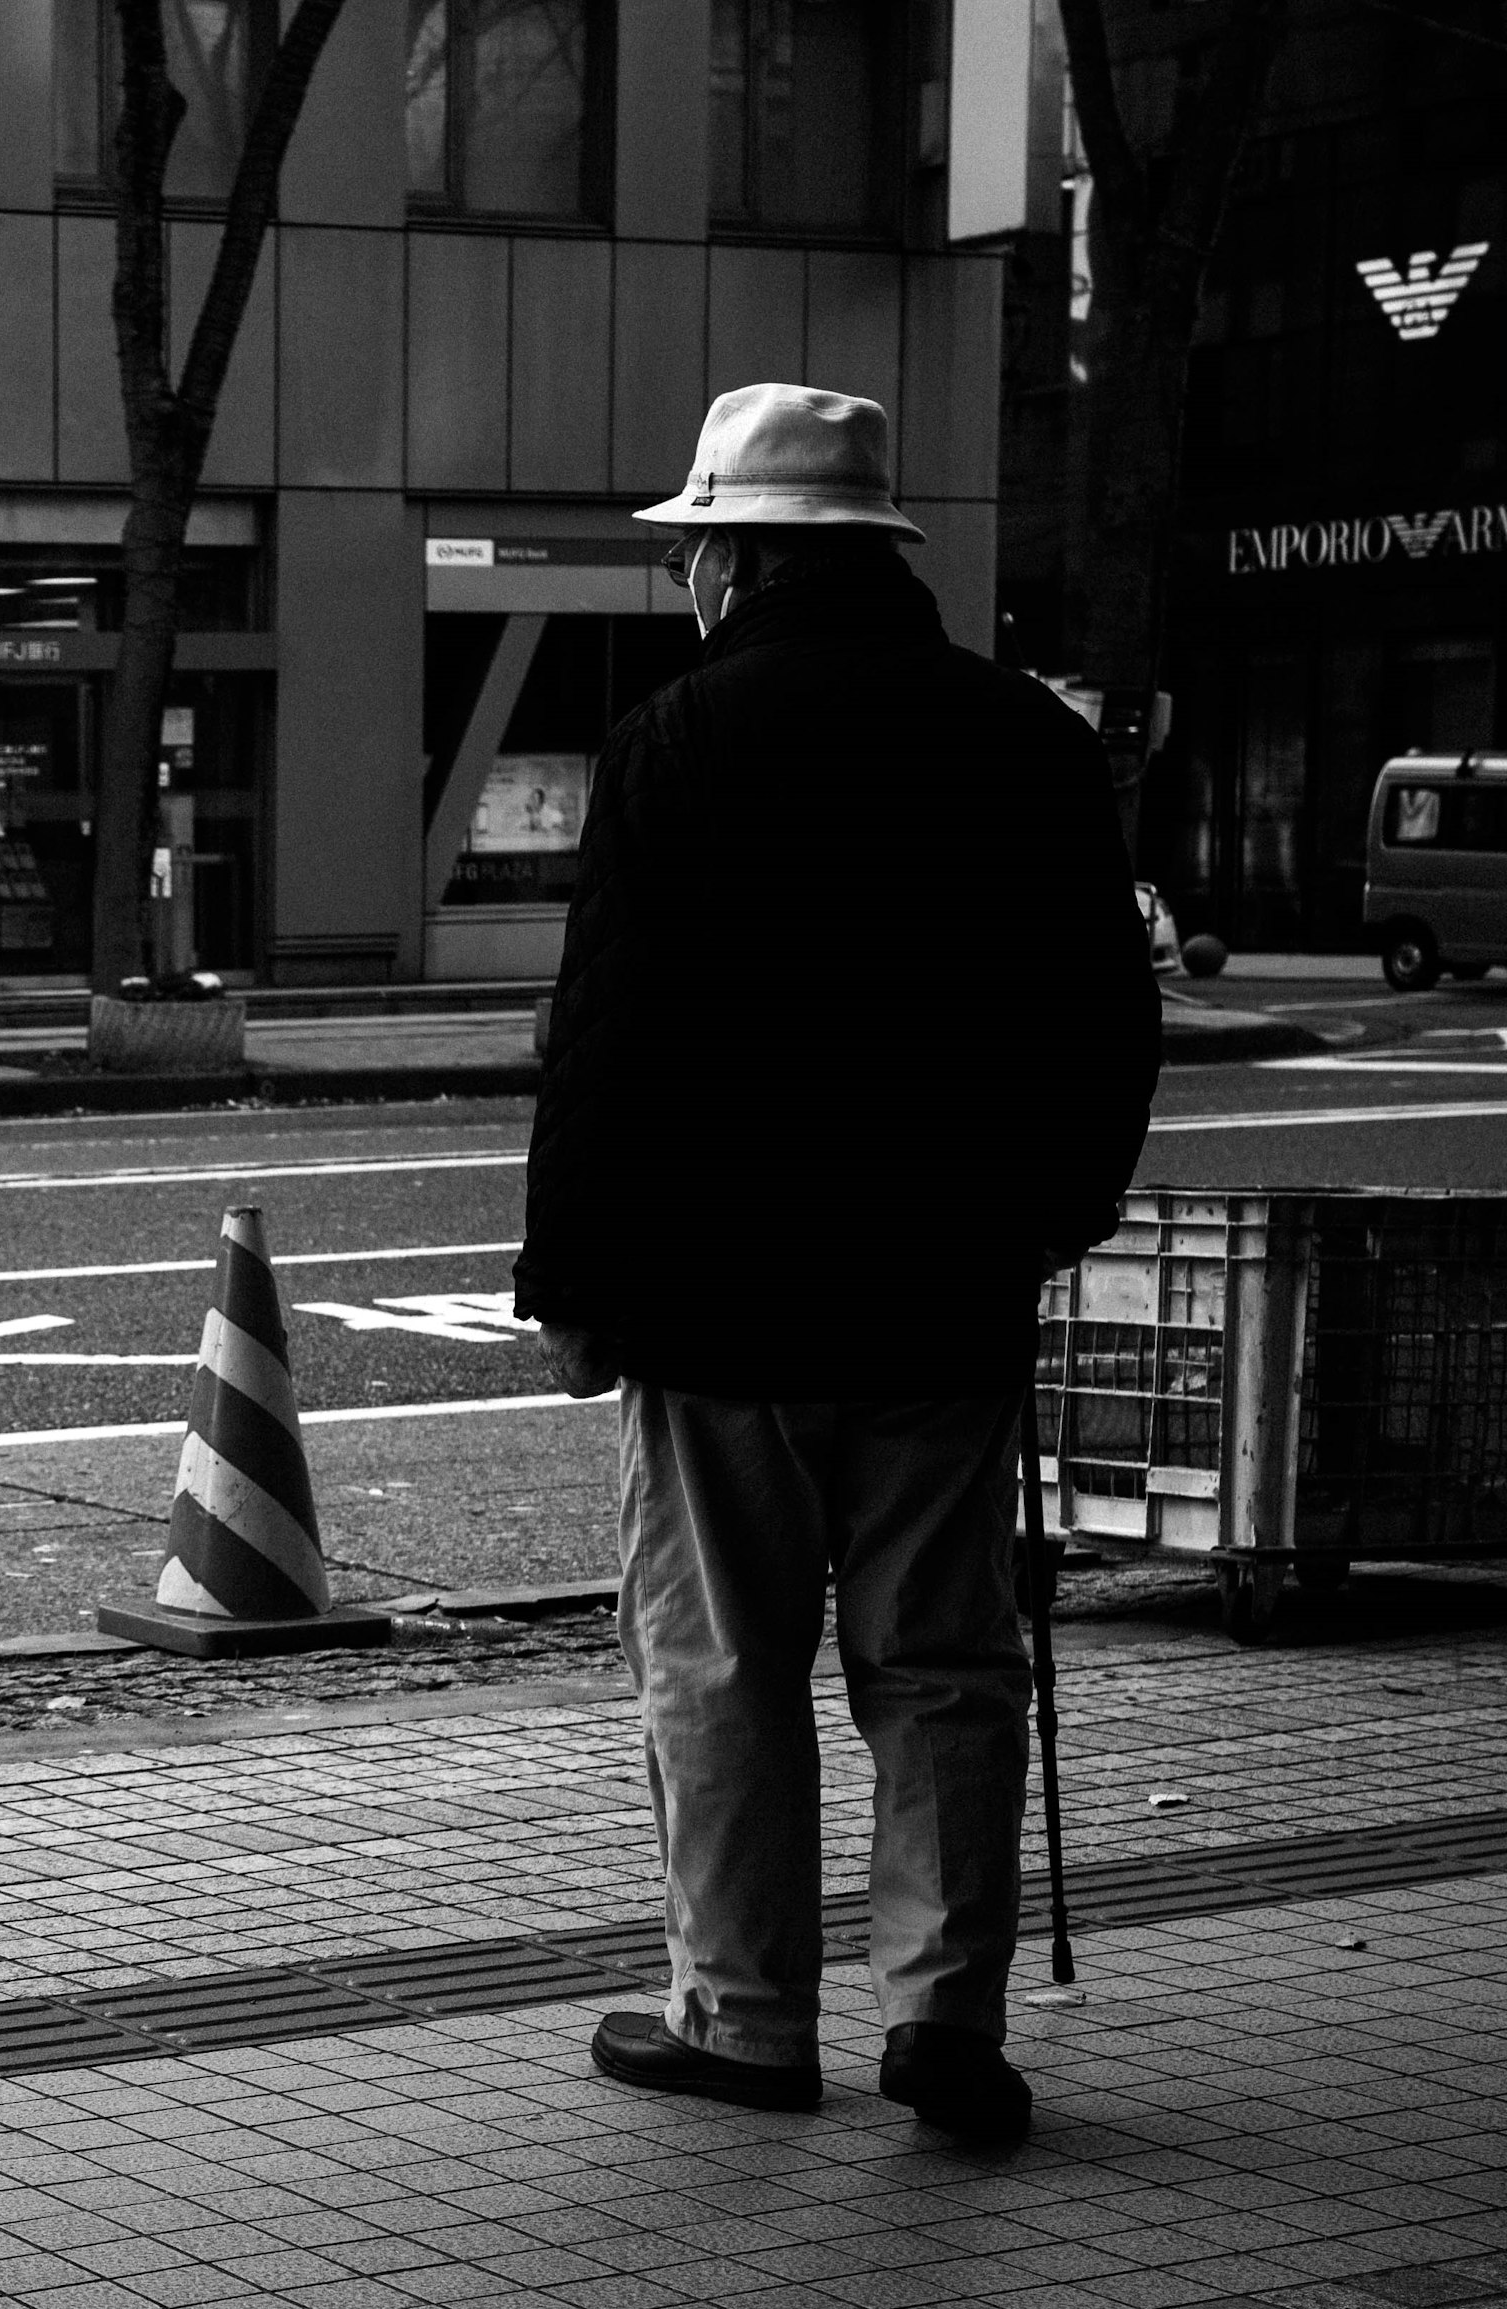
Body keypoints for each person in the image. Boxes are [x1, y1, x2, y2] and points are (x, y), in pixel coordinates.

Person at [516, 383, 1161, 2146]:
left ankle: (743, 2018)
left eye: (698, 548)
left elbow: (610, 1043)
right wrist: (1060, 1208)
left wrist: (569, 1284)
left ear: (742, 557)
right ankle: (947, 2016)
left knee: (724, 1662)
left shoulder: (682, 740)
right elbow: (1103, 1016)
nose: (692, 576)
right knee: (945, 1660)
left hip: (720, 1300)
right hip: (942, 1283)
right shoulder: (1019, 736)